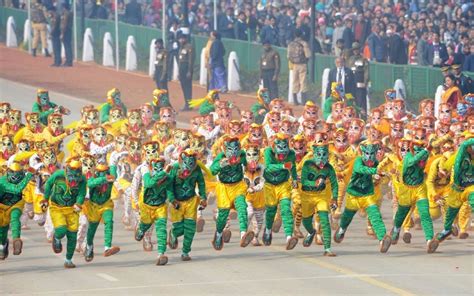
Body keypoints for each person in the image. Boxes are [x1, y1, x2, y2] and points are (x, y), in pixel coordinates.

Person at [288, 29, 310, 105]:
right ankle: (303, 101)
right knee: (303, 82)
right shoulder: (304, 43)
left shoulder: (291, 44)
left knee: (295, 81)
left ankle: (295, 101)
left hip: (294, 64)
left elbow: (288, 56)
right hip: (302, 64)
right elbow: (308, 55)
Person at [347, 42, 369, 117]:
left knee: (361, 102)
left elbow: (366, 72)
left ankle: (363, 118)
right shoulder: (349, 59)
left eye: (357, 49)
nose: (355, 51)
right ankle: (353, 117)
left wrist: (365, 83)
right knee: (352, 102)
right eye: (354, 49)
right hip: (351, 84)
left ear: (359, 50)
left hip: (360, 84)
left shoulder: (363, 60)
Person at [177, 33, 194, 111]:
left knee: (188, 87)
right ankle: (186, 103)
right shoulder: (181, 47)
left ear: (186, 39)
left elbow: (190, 60)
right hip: (181, 69)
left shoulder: (189, 47)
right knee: (183, 87)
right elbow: (180, 61)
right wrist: (178, 72)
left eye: (183, 39)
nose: (181, 40)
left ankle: (189, 104)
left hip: (187, 67)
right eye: (180, 39)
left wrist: (189, 71)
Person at [60, 2, 73, 67]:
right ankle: (69, 60)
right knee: (68, 46)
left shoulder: (66, 14)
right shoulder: (70, 13)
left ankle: (68, 61)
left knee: (67, 46)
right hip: (69, 30)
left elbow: (64, 24)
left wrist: (62, 33)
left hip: (66, 31)